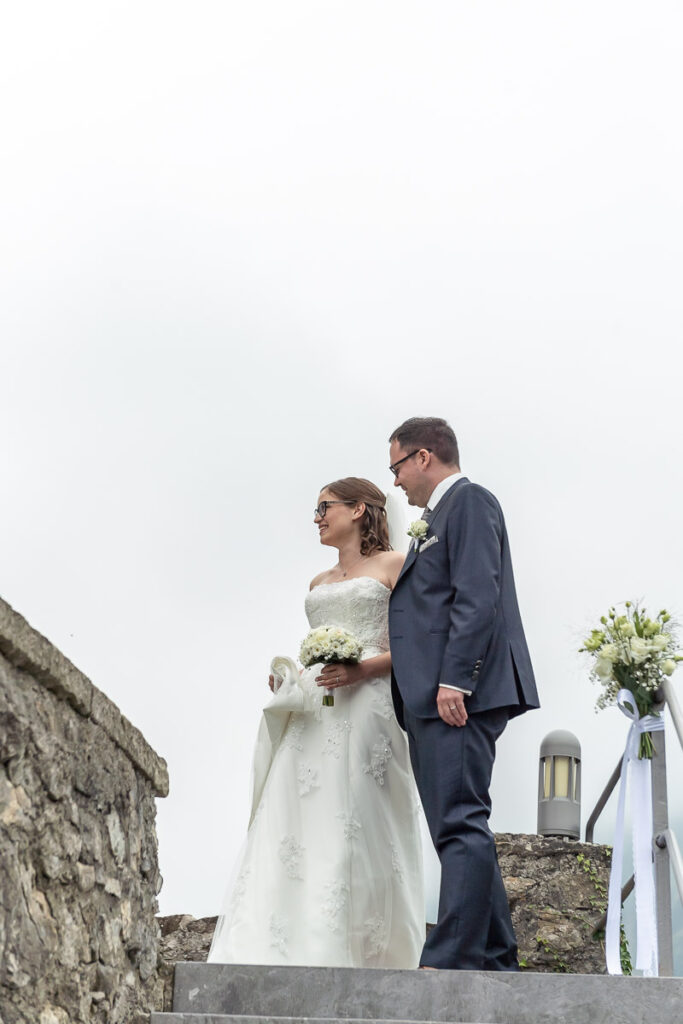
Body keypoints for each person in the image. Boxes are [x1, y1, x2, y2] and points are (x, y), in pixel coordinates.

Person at [208, 477, 425, 968]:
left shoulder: (396, 566)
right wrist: (292, 677)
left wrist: (361, 668)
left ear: (359, 509)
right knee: (300, 816)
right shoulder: (318, 583)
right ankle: (290, 936)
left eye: (325, 507)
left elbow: (416, 644)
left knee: (361, 816)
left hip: (368, 704)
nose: (317, 518)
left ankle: (370, 947)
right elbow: (317, 645)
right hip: (314, 709)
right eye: (316, 509)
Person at [387, 417, 540, 971]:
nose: (397, 482)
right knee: (457, 821)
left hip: (457, 693)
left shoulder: (470, 502)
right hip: (432, 695)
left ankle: (452, 957)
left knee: (457, 822)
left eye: (397, 467)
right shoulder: (437, 516)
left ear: (423, 457)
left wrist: (457, 677)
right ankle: (497, 954)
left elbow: (478, 594)